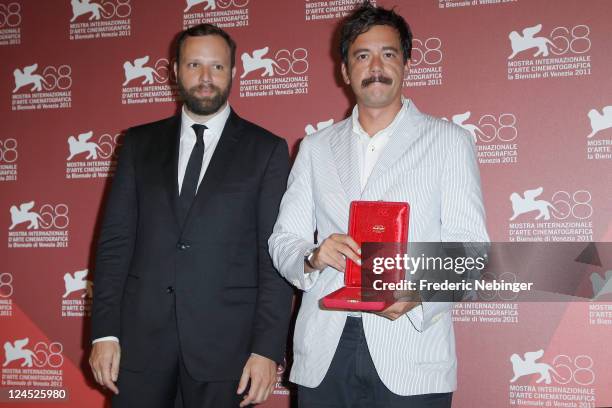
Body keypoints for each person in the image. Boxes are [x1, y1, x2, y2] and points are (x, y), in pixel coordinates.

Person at [268, 2, 489, 407]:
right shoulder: (315, 149)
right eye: (362, 55)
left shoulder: (449, 142)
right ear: (345, 70)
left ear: (405, 64)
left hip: (411, 346)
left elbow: (471, 250)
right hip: (325, 345)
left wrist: (419, 292)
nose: (376, 66)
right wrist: (314, 256)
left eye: (388, 54)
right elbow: (284, 239)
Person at [89, 23, 293, 408]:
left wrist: (267, 349)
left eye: (217, 67)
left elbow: (275, 258)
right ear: (175, 70)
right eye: (194, 65)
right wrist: (104, 333)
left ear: (234, 72)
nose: (205, 78)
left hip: (226, 352)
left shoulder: (265, 150)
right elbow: (115, 244)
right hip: (138, 347)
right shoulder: (138, 144)